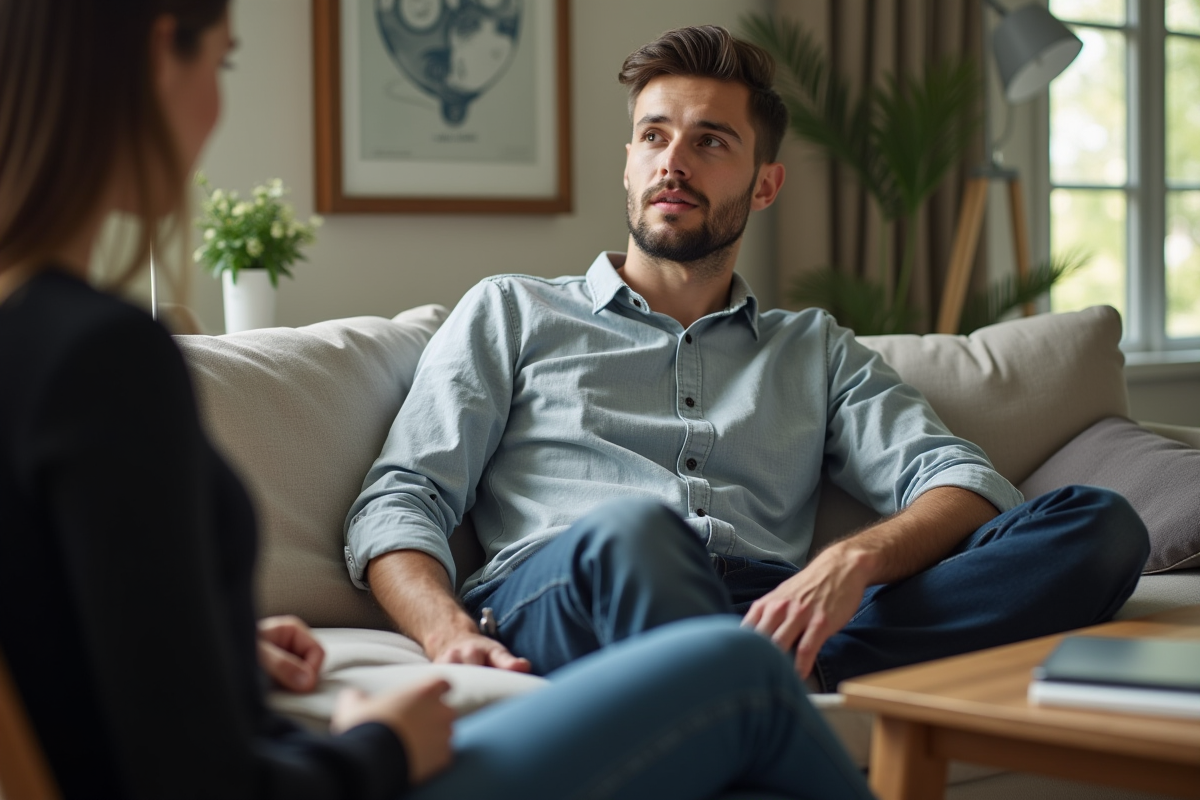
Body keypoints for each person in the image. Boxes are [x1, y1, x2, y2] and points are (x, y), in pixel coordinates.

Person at [0, 2, 882, 799]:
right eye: (224, 65)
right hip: (360, 771)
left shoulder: (39, 344)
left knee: (747, 672)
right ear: (161, 57)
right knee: (739, 675)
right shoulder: (99, 356)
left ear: (764, 181)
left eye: (710, 142)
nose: (219, 110)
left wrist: (219, 648)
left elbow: (74, 657)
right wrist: (380, 746)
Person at [346, 25, 1151, 690]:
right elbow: (402, 494)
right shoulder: (513, 309)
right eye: (653, 137)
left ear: (765, 186)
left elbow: (961, 482)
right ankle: (762, 679)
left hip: (772, 608)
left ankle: (749, 675)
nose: (674, 162)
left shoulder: (816, 349)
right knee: (639, 534)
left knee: (1099, 525)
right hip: (577, 581)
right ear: (627, 164)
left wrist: (850, 565)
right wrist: (445, 630)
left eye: (710, 142)